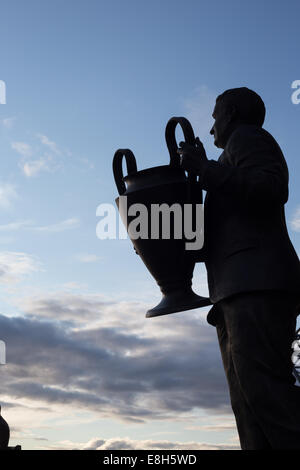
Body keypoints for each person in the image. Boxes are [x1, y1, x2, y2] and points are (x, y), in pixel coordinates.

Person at [178, 87, 300, 450]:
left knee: (266, 396)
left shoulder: (249, 138)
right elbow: (220, 234)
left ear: (230, 113)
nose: (212, 127)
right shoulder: (230, 158)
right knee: (248, 406)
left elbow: (270, 188)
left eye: (215, 116)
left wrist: (206, 170)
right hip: (237, 290)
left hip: (257, 285)